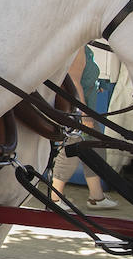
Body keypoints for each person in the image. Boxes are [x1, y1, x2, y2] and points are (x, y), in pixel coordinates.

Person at [50, 46, 118, 210]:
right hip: (80, 113)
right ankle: (55, 198)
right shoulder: (79, 49)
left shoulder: (85, 48)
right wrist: (84, 115)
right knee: (71, 153)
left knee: (93, 152)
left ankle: (96, 196)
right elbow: (74, 81)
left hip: (87, 110)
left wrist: (95, 85)